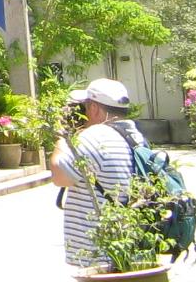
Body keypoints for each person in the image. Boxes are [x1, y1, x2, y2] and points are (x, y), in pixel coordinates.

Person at [51, 77, 143, 270]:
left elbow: (60, 175)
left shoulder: (96, 136)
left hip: (99, 254)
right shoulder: (135, 136)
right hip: (126, 245)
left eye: (84, 107)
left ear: (94, 108)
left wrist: (61, 137)